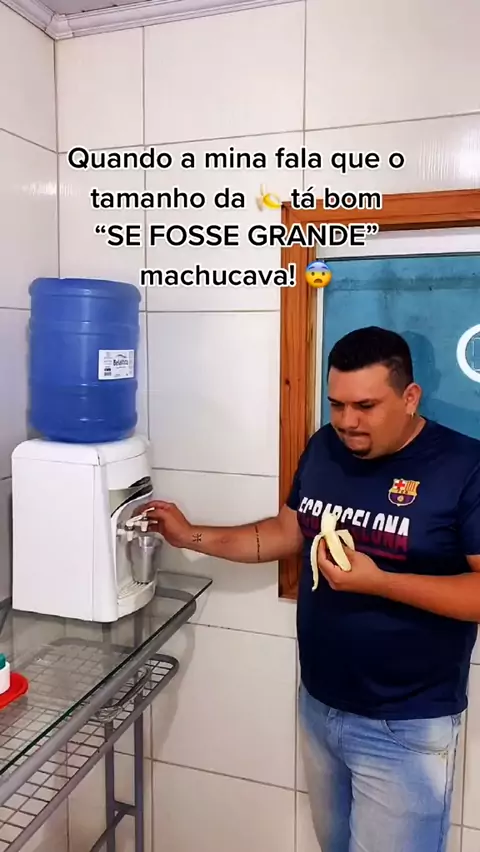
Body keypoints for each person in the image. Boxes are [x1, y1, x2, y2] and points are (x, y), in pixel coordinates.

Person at [138, 326, 480, 852]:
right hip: (320, 705)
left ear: (410, 397)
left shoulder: (465, 467)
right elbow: (287, 531)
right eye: (337, 404)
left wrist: (380, 582)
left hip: (406, 725)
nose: (347, 422)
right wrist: (191, 536)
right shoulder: (325, 447)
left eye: (365, 406)